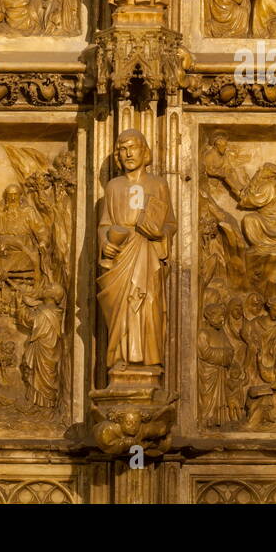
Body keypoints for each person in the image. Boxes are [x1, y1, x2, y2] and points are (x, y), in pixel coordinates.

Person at [97, 130, 176, 373]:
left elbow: (171, 223)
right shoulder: (114, 186)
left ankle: (149, 361)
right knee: (121, 307)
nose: (128, 153)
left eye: (133, 147)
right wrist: (105, 243)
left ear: (145, 151)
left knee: (148, 304)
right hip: (122, 255)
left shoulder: (158, 184)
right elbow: (104, 225)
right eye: (122, 149)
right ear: (118, 155)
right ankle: (122, 359)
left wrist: (160, 233)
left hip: (147, 252)